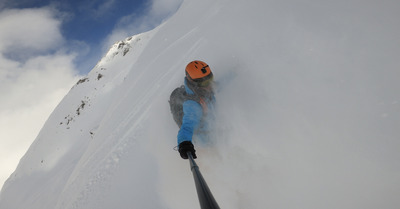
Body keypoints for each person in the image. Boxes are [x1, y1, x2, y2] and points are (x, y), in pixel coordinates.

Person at [173, 60, 215, 159]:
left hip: (214, 130)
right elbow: (187, 127)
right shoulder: (193, 105)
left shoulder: (206, 89)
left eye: (210, 79)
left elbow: (220, 85)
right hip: (207, 143)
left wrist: (236, 71)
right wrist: (184, 143)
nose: (209, 85)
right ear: (194, 83)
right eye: (205, 83)